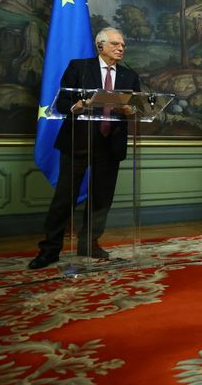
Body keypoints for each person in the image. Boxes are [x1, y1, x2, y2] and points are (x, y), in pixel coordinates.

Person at [29, 27, 141, 269]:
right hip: (78, 142)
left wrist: (130, 110)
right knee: (64, 198)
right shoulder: (79, 67)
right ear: (100, 46)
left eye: (122, 45)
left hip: (111, 143)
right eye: (115, 44)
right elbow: (62, 103)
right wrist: (80, 104)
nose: (121, 48)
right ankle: (50, 249)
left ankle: (89, 242)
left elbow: (139, 106)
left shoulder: (129, 76)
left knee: (101, 199)